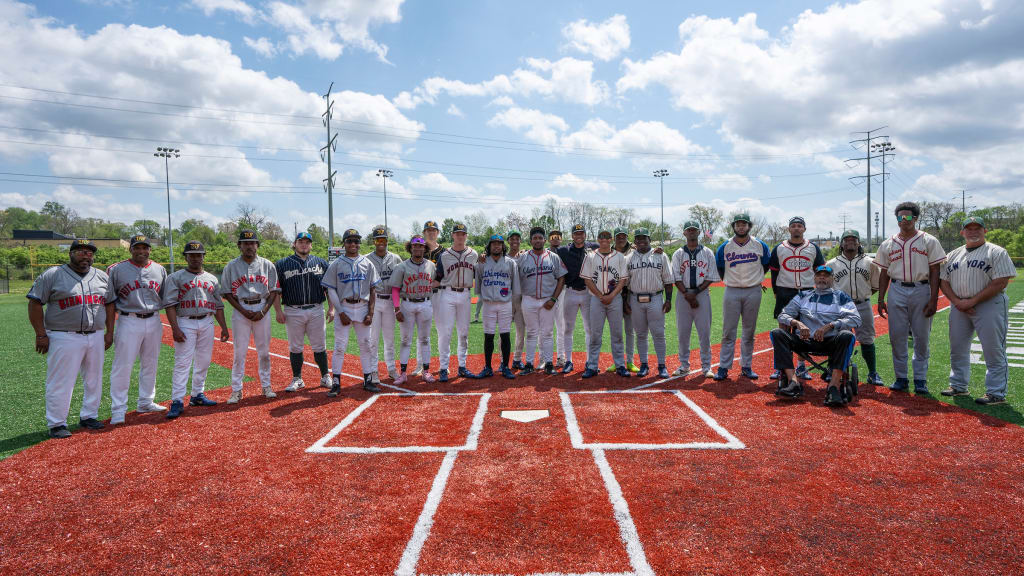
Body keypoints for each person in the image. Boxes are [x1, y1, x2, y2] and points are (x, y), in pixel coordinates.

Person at [27, 239, 114, 438]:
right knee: (61, 381)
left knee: (94, 379)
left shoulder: (102, 276)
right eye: (80, 251)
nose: (85, 255)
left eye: (89, 252)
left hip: (96, 335)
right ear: (71, 254)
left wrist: (109, 332)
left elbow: (109, 304)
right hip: (63, 336)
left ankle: (89, 415)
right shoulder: (53, 274)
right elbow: (34, 303)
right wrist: (41, 334)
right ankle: (57, 423)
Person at [939, 216, 1018, 404]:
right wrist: (958, 302)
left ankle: (996, 392)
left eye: (977, 228)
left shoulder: (996, 252)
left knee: (993, 349)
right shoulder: (952, 255)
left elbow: (1000, 282)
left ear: (985, 231)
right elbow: (944, 282)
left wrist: (971, 301)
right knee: (957, 348)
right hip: (959, 306)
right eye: (969, 228)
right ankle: (958, 385)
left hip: (989, 304)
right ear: (962, 232)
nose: (973, 231)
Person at [875, 202, 946, 394]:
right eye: (900, 217)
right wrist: (881, 299)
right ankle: (901, 378)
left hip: (921, 288)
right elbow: (884, 273)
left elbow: (935, 270)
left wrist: (933, 299)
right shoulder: (888, 243)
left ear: (915, 218)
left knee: (921, 336)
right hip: (897, 289)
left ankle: (920, 379)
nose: (903, 221)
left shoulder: (928, 240)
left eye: (907, 217)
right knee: (897, 336)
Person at [770, 265, 862, 406]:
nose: (822, 278)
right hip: (805, 340)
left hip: (830, 340)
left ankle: (833, 387)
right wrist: (797, 323)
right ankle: (793, 381)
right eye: (819, 275)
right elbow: (783, 315)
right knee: (777, 333)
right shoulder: (803, 295)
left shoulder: (841, 297)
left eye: (826, 275)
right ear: (814, 278)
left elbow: (856, 319)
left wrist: (830, 325)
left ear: (832, 279)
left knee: (847, 336)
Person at [162, 241, 230, 419]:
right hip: (185, 322)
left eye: (198, 255)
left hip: (207, 322)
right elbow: (169, 305)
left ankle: (197, 395)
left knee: (204, 360)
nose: (195, 258)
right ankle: (177, 400)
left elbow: (218, 306)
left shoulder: (212, 278)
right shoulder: (175, 277)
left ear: (203, 257)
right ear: (185, 257)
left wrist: (223, 327)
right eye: (191, 255)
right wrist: (174, 328)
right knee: (183, 362)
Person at [106, 234, 168, 424]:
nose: (141, 251)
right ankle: (118, 409)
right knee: (122, 365)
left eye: (145, 248)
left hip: (154, 319)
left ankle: (145, 401)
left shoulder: (159, 270)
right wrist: (108, 329)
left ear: (150, 249)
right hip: (128, 320)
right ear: (130, 249)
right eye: (137, 247)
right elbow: (108, 301)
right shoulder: (115, 270)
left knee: (151, 363)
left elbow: (165, 297)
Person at [221, 229, 281, 403]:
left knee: (264, 352)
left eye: (252, 243)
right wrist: (243, 310)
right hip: (241, 309)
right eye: (245, 243)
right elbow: (227, 293)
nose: (249, 246)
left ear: (257, 245)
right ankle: (236, 390)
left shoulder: (267, 265)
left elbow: (274, 291)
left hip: (262, 306)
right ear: (239, 245)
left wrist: (264, 311)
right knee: (239, 352)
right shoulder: (231, 266)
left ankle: (266, 386)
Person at [322, 228, 381, 395]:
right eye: (350, 241)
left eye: (356, 241)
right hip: (345, 306)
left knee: (366, 345)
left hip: (362, 306)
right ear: (344, 244)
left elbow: (372, 289)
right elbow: (331, 290)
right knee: (340, 347)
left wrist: (370, 313)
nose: (353, 244)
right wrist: (340, 312)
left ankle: (368, 381)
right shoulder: (336, 264)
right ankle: (336, 383)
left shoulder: (367, 263)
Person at [273, 231, 332, 393]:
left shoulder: (321, 263)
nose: (304, 244)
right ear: (294, 244)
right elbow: (276, 290)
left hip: (316, 309)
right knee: (295, 346)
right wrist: (278, 311)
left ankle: (325, 376)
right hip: (293, 310)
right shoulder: (282, 264)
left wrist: (332, 308)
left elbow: (329, 289)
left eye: (307, 242)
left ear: (311, 245)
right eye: (300, 242)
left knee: (320, 345)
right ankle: (297, 378)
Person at [714, 213, 771, 381]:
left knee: (749, 330)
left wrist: (755, 280)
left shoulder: (759, 245)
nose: (740, 227)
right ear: (733, 227)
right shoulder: (725, 246)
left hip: (753, 290)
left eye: (743, 224)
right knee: (728, 331)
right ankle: (724, 366)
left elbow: (766, 265)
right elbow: (720, 268)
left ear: (749, 226)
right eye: (737, 224)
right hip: (731, 290)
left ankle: (746, 366)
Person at [768, 217, 824, 380]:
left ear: (804, 229)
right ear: (789, 229)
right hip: (785, 291)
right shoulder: (779, 248)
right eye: (793, 226)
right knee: (782, 331)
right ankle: (781, 368)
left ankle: (801, 366)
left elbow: (820, 270)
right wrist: (776, 292)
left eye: (799, 226)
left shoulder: (813, 247)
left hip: (806, 292)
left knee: (804, 331)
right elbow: (774, 272)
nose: (796, 228)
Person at [827, 230, 883, 386]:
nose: (850, 241)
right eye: (846, 239)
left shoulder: (869, 262)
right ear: (842, 243)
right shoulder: (831, 264)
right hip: (840, 307)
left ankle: (872, 373)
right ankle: (832, 370)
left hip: (862, 304)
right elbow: (827, 288)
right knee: (837, 338)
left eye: (854, 239)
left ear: (859, 242)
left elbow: (875, 286)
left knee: (867, 339)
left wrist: (862, 296)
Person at [671, 221, 720, 378]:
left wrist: (696, 292)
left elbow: (711, 276)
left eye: (694, 230)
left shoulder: (707, 252)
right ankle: (684, 365)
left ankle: (706, 367)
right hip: (683, 295)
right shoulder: (678, 253)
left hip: (702, 294)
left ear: (698, 232)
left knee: (704, 332)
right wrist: (687, 294)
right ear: (684, 233)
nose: (691, 232)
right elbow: (676, 277)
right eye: (688, 230)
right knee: (683, 332)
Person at [581, 228, 631, 378]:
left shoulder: (620, 257)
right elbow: (587, 279)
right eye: (601, 237)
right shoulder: (590, 256)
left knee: (617, 334)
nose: (604, 240)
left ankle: (620, 365)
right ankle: (592, 365)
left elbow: (623, 280)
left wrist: (612, 295)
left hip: (615, 299)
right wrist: (599, 295)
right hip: (597, 299)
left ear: (611, 240)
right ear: (598, 239)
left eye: (607, 237)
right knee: (595, 334)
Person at [517, 226, 566, 375]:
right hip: (528, 299)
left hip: (547, 300)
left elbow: (561, 278)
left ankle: (549, 363)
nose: (537, 240)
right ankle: (529, 363)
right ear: (530, 240)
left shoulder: (553, 257)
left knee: (547, 333)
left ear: (544, 240)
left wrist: (553, 299)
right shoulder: (523, 257)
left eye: (540, 238)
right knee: (531, 333)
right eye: (534, 238)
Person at [626, 228, 674, 378]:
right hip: (635, 298)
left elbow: (668, 280)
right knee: (640, 334)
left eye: (644, 238)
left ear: (649, 239)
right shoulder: (629, 258)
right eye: (638, 238)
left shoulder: (661, 256)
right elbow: (625, 283)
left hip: (656, 298)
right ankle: (644, 365)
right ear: (634, 242)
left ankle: (662, 365)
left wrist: (668, 300)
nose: (641, 241)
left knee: (658, 333)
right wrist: (625, 302)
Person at [434, 222, 478, 381]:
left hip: (465, 295)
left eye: (463, 234)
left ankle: (462, 366)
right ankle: (444, 368)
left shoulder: (474, 254)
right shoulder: (444, 255)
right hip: (448, 294)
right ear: (453, 235)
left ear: (466, 236)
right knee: (446, 332)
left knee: (464, 332)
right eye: (457, 233)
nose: (460, 236)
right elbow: (437, 278)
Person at [391, 235, 437, 384]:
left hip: (425, 303)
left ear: (425, 248)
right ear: (410, 248)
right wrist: (397, 309)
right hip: (407, 304)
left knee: (425, 339)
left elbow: (436, 282)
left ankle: (426, 371)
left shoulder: (431, 265)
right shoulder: (402, 266)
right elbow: (395, 289)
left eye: (421, 246)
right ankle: (403, 373)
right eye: (415, 246)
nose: (418, 248)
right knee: (405, 340)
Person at [473, 234, 519, 379]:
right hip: (488, 303)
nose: (497, 246)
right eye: (494, 244)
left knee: (505, 335)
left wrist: (514, 304)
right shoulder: (481, 262)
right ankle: (487, 367)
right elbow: (478, 284)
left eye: (499, 244)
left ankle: (505, 366)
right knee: (488, 336)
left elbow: (515, 286)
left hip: (505, 303)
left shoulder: (510, 262)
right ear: (489, 246)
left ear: (503, 246)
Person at [366, 226, 403, 382]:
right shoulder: (366, 258)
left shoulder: (395, 258)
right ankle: (373, 370)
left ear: (387, 241)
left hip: (389, 302)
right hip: (374, 301)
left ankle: (392, 368)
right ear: (374, 242)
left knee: (389, 339)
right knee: (373, 339)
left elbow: (403, 277)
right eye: (378, 239)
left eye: (383, 239)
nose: (381, 242)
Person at [556, 223, 591, 374]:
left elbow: (611, 250)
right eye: (576, 233)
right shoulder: (564, 250)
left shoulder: (593, 248)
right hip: (570, 292)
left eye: (581, 233)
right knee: (567, 328)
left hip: (588, 292)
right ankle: (568, 360)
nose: (579, 236)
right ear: (572, 236)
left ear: (585, 235)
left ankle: (590, 361)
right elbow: (549, 254)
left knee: (589, 329)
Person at [613, 227, 640, 372]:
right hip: (614, 295)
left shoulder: (635, 251)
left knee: (630, 330)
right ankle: (617, 361)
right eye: (618, 236)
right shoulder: (608, 251)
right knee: (615, 330)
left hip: (630, 294)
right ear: (614, 238)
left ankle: (630, 361)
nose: (621, 239)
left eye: (623, 236)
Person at [506, 230, 528, 370]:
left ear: (520, 241)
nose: (515, 241)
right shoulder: (503, 257)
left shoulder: (525, 256)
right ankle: (503, 360)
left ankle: (517, 358)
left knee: (521, 330)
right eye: (512, 238)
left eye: (517, 238)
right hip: (506, 297)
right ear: (508, 241)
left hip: (521, 297)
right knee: (504, 330)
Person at [548, 229, 568, 368]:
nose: (555, 239)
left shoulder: (566, 251)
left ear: (561, 239)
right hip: (546, 292)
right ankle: (545, 358)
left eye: (558, 237)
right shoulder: (543, 252)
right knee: (545, 328)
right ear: (549, 239)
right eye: (553, 237)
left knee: (561, 326)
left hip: (562, 291)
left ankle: (561, 356)